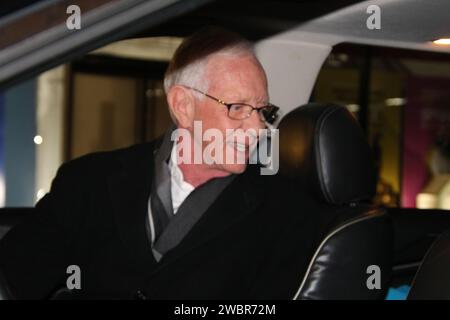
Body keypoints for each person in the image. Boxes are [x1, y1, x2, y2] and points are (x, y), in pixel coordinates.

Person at [0, 27, 321, 299]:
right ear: (183, 105)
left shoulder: (286, 212)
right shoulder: (88, 182)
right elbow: (13, 278)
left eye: (262, 111)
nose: (257, 129)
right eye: (237, 107)